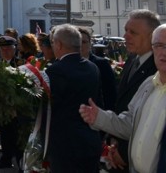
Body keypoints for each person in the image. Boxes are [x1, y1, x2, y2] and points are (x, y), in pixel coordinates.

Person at [80, 23, 166, 173]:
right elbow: (129, 123)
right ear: (152, 48)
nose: (164, 52)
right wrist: (99, 117)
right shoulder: (148, 84)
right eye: (158, 45)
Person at [103, 9, 160, 172]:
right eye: (126, 30)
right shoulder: (133, 58)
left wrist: (124, 150)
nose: (126, 36)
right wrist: (114, 141)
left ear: (152, 37)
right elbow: (121, 104)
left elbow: (150, 121)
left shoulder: (158, 67)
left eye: (133, 32)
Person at [45, 24, 102, 172]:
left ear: (59, 44)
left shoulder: (55, 70)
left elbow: (49, 107)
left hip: (65, 144)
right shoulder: (92, 67)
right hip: (90, 139)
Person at [0, 35, 24, 170]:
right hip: (2, 107)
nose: (5, 52)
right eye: (2, 49)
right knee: (5, 135)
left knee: (18, 137)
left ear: (14, 49)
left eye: (8, 49)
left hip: (17, 109)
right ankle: (6, 160)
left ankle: (21, 163)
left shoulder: (21, 64)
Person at [78, 27, 117, 111]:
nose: (80, 45)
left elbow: (110, 91)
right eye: (78, 42)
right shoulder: (69, 65)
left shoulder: (101, 64)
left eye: (84, 42)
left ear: (90, 43)